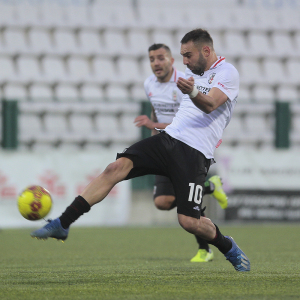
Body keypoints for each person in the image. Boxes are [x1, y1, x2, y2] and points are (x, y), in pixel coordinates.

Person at [31, 28, 250, 272]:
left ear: (206, 50)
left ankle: (227, 246)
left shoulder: (227, 72)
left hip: (195, 153)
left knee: (189, 222)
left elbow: (210, 105)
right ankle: (63, 223)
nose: (185, 61)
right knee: (116, 167)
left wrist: (192, 90)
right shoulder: (190, 72)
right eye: (182, 56)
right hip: (168, 139)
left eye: (188, 55)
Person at [134, 43, 228, 263]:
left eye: (160, 58)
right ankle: (210, 187)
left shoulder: (184, 84)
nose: (156, 63)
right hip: (164, 145)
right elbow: (156, 108)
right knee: (162, 202)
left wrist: (154, 124)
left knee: (187, 203)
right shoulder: (148, 84)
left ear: (171, 61)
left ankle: (205, 249)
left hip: (186, 147)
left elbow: (188, 120)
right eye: (151, 59)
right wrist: (154, 129)